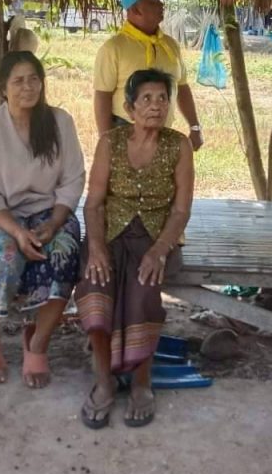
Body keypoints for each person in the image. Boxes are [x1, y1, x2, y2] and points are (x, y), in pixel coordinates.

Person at [76, 69, 194, 429]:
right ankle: (104, 380)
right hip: (110, 233)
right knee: (96, 286)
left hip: (156, 237)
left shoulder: (179, 145)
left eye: (162, 99)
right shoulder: (110, 142)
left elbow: (181, 210)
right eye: (147, 99)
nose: (156, 106)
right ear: (129, 108)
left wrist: (160, 250)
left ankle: (142, 382)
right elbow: (93, 203)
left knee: (143, 291)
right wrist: (96, 247)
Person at [0, 51, 85, 388]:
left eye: (34, 79)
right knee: (5, 257)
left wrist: (55, 223)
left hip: (51, 211)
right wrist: (18, 232)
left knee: (64, 254)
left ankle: (38, 343)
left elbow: (73, 179)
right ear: (3, 88)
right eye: (18, 81)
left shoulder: (60, 122)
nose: (28, 87)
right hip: (1, 216)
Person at [93, 0, 203, 150]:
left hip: (163, 133)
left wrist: (195, 126)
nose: (161, 5)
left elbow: (182, 87)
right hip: (126, 133)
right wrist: (107, 144)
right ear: (136, 9)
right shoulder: (113, 48)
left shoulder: (170, 45)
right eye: (154, 0)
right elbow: (102, 96)